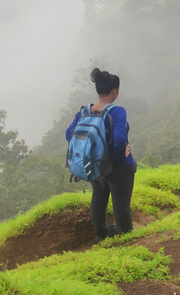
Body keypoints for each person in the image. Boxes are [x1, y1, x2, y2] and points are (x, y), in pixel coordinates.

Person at [66, 68, 137, 242]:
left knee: (99, 195)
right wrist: (119, 157)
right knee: (121, 202)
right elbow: (120, 141)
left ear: (98, 90)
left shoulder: (84, 111)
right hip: (117, 166)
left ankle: (101, 233)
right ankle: (126, 236)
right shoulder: (116, 111)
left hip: (93, 164)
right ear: (115, 92)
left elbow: (69, 134)